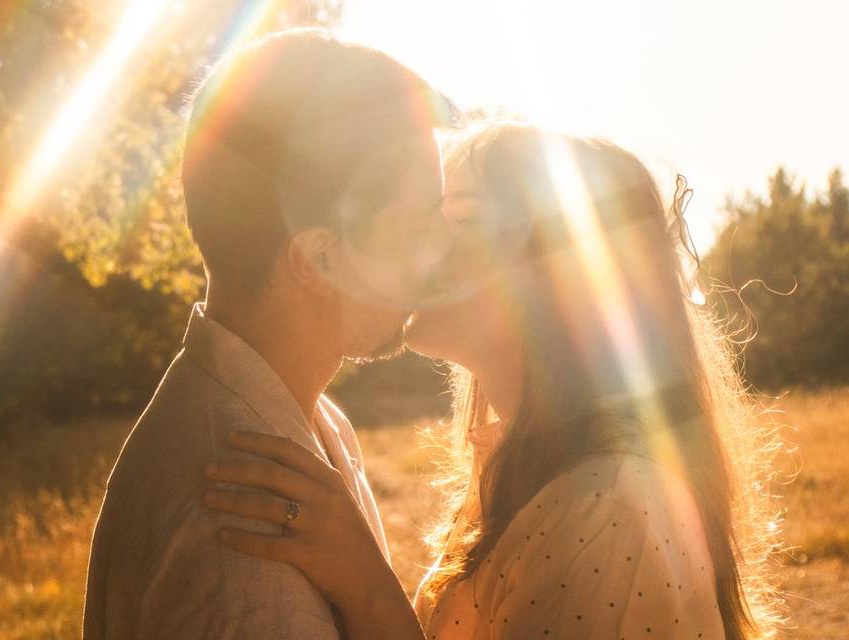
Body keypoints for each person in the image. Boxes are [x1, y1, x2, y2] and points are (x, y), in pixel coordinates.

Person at [202, 122, 783, 639]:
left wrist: (367, 585)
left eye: (462, 220)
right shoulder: (530, 469)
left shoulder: (607, 512)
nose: (422, 241)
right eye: (427, 214)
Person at [82, 28, 457, 639]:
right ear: (319, 260)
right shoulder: (245, 533)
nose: (442, 246)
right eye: (419, 222)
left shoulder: (305, 420)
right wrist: (369, 592)